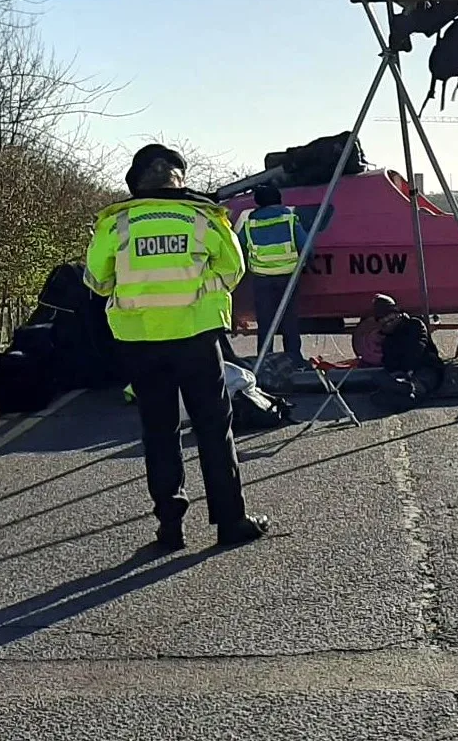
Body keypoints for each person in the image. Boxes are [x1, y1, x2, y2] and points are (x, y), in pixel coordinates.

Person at [85, 143, 269, 550]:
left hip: (140, 340)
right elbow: (233, 269)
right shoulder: (205, 216)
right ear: (179, 178)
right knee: (213, 429)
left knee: (159, 432)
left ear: (137, 182)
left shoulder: (115, 224)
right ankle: (230, 521)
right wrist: (198, 294)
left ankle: (170, 528)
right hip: (196, 338)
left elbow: (97, 282)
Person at [239, 184, 310, 368]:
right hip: (288, 278)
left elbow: (238, 249)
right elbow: (306, 246)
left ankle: (264, 360)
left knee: (265, 323)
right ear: (278, 200)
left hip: (262, 279)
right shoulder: (289, 220)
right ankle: (294, 359)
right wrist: (305, 264)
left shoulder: (249, 224)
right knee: (289, 321)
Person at [369, 294, 445, 412]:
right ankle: (401, 392)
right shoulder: (388, 338)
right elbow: (389, 362)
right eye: (383, 319)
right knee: (379, 380)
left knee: (421, 381)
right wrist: (396, 374)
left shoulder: (415, 325)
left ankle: (410, 391)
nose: (387, 321)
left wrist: (407, 372)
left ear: (397, 313)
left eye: (390, 317)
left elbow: (416, 350)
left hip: (426, 367)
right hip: (403, 374)